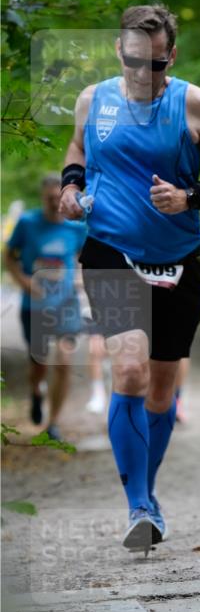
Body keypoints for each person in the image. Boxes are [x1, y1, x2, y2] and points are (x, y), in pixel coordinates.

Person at [59, 3, 200, 552]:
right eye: (135, 61)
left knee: (162, 390)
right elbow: (77, 149)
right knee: (131, 372)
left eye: (156, 63)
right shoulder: (94, 100)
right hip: (110, 251)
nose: (144, 73)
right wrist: (71, 189)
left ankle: (148, 491)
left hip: (180, 258)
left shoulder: (194, 104)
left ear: (172, 55)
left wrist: (190, 197)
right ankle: (138, 506)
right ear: (119, 51)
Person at [4, 174, 86, 441]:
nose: (53, 203)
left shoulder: (76, 227)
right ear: (43, 197)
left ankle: (54, 423)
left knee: (63, 360)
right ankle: (36, 392)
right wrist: (23, 281)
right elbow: (8, 254)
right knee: (38, 362)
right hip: (34, 305)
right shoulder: (27, 223)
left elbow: (86, 257)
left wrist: (81, 279)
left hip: (66, 303)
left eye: (57, 198)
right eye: (49, 198)